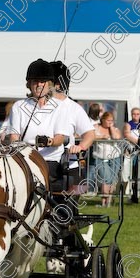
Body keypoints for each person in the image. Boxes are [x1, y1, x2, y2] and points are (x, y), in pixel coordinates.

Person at [8, 58, 68, 193]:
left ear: (49, 84)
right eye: (35, 81)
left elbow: (60, 138)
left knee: (37, 179)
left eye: (43, 81)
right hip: (24, 158)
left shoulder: (59, 107)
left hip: (49, 159)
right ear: (29, 84)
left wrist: (49, 141)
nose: (39, 84)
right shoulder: (18, 106)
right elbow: (14, 137)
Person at [50, 60, 95, 188]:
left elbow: (90, 134)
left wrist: (80, 147)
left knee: (66, 207)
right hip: (37, 165)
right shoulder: (36, 106)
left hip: (66, 168)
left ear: (58, 85)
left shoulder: (73, 108)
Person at [92, 111, 122, 207]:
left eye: (112, 120)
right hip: (101, 157)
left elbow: (116, 137)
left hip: (115, 157)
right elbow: (91, 136)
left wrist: (111, 127)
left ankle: (109, 201)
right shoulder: (96, 127)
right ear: (103, 120)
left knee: (112, 179)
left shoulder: (115, 129)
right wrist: (102, 137)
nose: (110, 122)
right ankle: (103, 201)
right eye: (108, 120)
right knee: (106, 177)